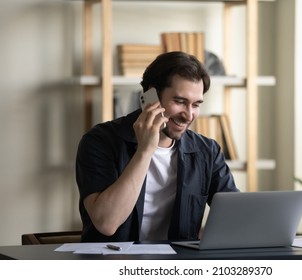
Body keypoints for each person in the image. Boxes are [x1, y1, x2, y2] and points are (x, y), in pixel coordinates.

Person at [76, 51, 239, 243]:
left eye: (196, 105)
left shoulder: (207, 151)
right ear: (151, 96)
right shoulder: (99, 141)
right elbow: (106, 223)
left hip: (179, 267)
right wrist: (145, 150)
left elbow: (236, 218)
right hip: (115, 266)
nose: (188, 115)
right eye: (180, 102)